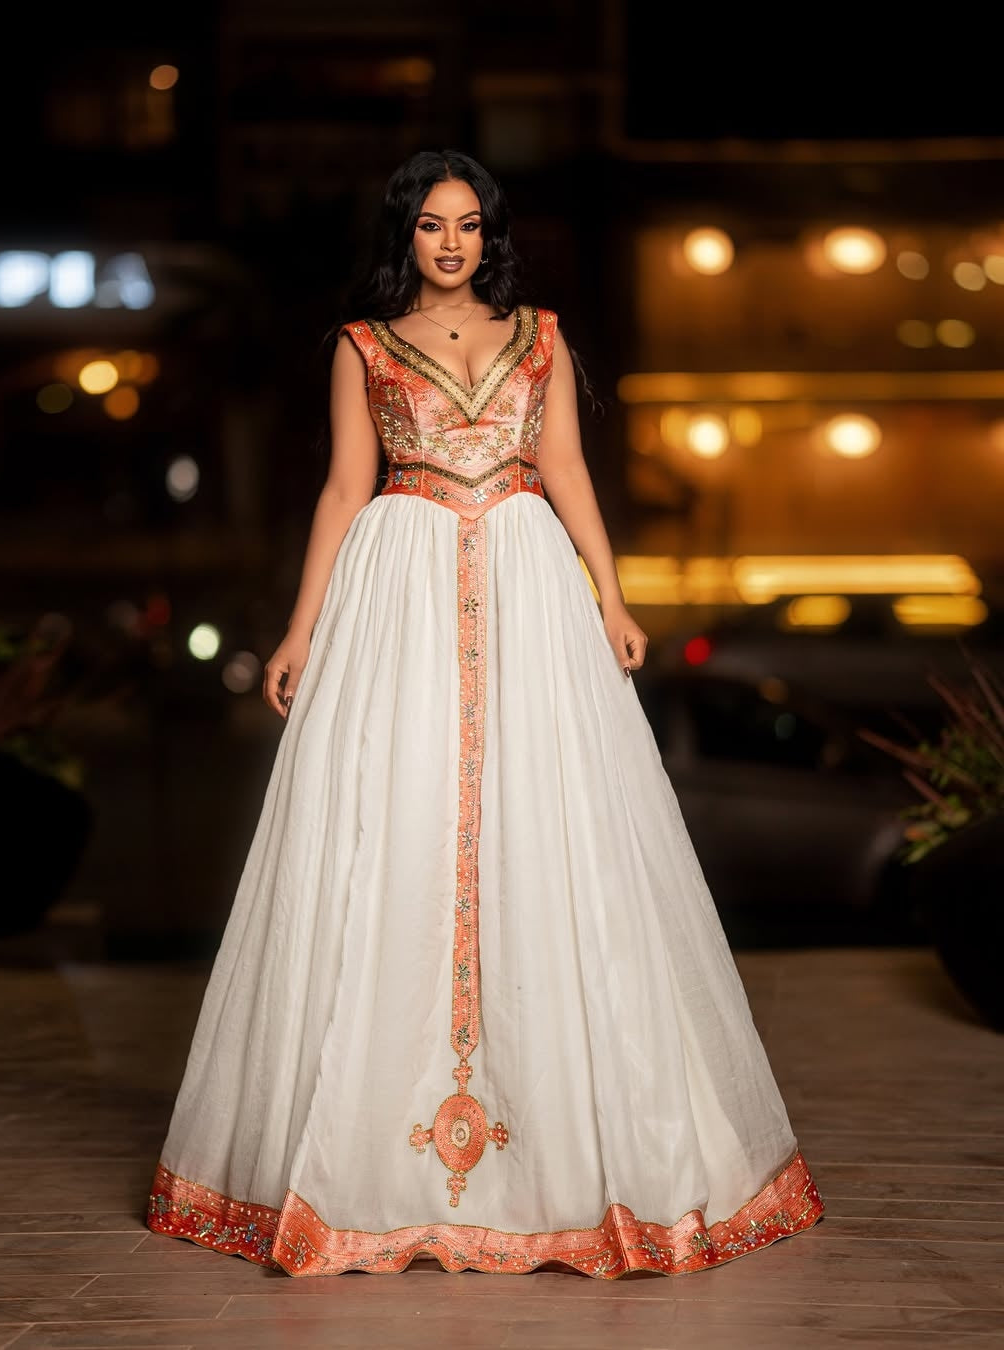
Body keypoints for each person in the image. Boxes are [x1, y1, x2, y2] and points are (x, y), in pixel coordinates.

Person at [145, 148, 823, 1278]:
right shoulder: (362, 349)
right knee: (393, 829)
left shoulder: (542, 336)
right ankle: (368, 1159)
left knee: (551, 833)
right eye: (428, 224)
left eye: (467, 223)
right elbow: (342, 489)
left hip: (529, 583)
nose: (449, 242)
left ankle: (573, 1152)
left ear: (489, 234)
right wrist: (303, 628)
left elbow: (564, 468)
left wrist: (613, 595)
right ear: (402, 237)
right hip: (398, 589)